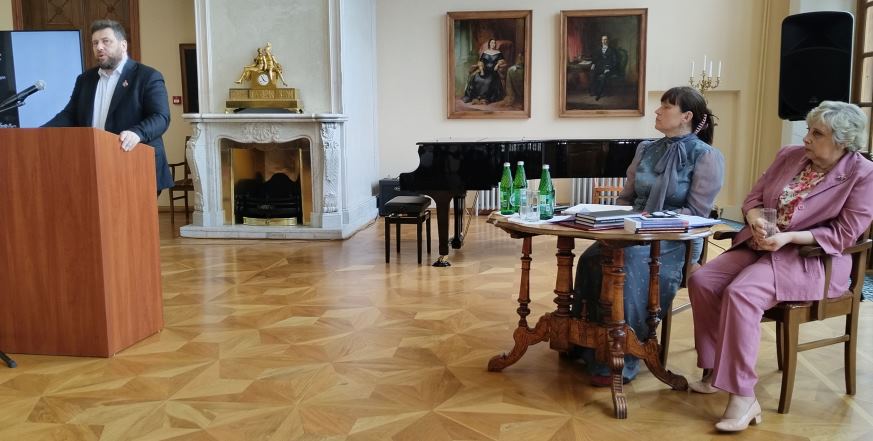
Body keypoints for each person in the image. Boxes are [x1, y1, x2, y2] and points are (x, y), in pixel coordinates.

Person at [686, 101, 873, 432]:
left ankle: (744, 396)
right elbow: (753, 200)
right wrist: (758, 221)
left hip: (810, 259)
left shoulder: (863, 174)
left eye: (817, 133)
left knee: (742, 293)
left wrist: (788, 238)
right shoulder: (790, 155)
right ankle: (715, 370)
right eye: (809, 130)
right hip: (761, 244)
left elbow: (844, 234)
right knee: (703, 280)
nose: (807, 138)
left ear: (842, 141)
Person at [571, 86, 725, 386]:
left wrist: (686, 255)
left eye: (665, 107)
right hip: (631, 229)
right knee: (591, 259)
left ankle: (621, 355)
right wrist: (610, 222)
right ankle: (586, 343)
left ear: (686, 116)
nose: (657, 111)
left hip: (670, 240)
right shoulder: (645, 148)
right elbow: (626, 199)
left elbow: (696, 215)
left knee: (626, 266)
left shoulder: (706, 156)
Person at [43, 19, 173, 194]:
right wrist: (41, 132)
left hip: (135, 164)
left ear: (123, 45)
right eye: (95, 43)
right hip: (95, 165)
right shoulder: (85, 79)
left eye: (106, 41)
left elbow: (161, 116)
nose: (99, 47)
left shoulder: (147, 76)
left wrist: (137, 133)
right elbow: (70, 114)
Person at [461, 39, 507, 105]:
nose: (493, 44)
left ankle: (484, 98)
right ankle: (475, 98)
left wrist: (497, 65)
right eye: (492, 43)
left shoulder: (498, 53)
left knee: (488, 80)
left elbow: (502, 61)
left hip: (493, 71)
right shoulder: (485, 52)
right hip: (484, 70)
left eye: (494, 43)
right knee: (476, 77)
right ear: (489, 44)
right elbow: (480, 62)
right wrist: (481, 69)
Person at [589, 35, 619, 101]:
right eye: (603, 39)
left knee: (603, 76)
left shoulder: (612, 50)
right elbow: (595, 58)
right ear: (601, 41)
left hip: (608, 68)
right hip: (599, 67)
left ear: (608, 41)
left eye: (605, 39)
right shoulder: (598, 49)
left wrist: (609, 68)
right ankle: (593, 91)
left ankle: (599, 94)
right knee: (592, 74)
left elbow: (615, 61)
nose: (604, 41)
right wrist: (593, 64)